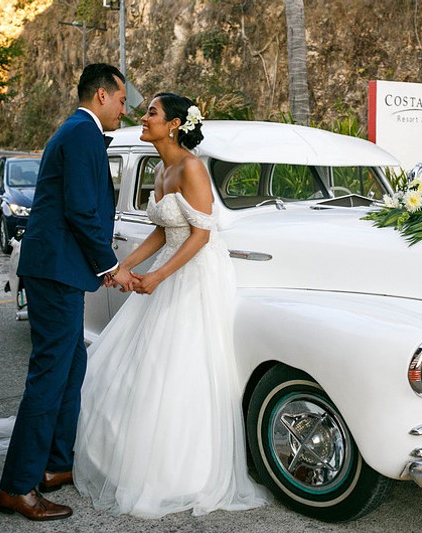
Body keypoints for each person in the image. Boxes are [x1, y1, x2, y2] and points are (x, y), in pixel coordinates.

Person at [72, 93, 267, 517]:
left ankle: (183, 472)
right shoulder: (160, 168)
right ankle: (129, 456)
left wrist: (158, 277)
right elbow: (163, 231)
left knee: (179, 364)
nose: (143, 118)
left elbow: (201, 235)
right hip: (168, 264)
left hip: (195, 274)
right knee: (140, 363)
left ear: (175, 124)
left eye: (152, 113)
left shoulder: (192, 168)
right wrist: (123, 265)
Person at [0, 63, 135, 521]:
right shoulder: (79, 133)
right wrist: (110, 265)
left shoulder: (79, 132)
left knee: (72, 366)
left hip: (61, 269)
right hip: (55, 270)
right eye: (120, 99)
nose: (124, 108)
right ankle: (18, 486)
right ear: (100, 95)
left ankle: (56, 464)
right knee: (50, 375)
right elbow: (79, 208)